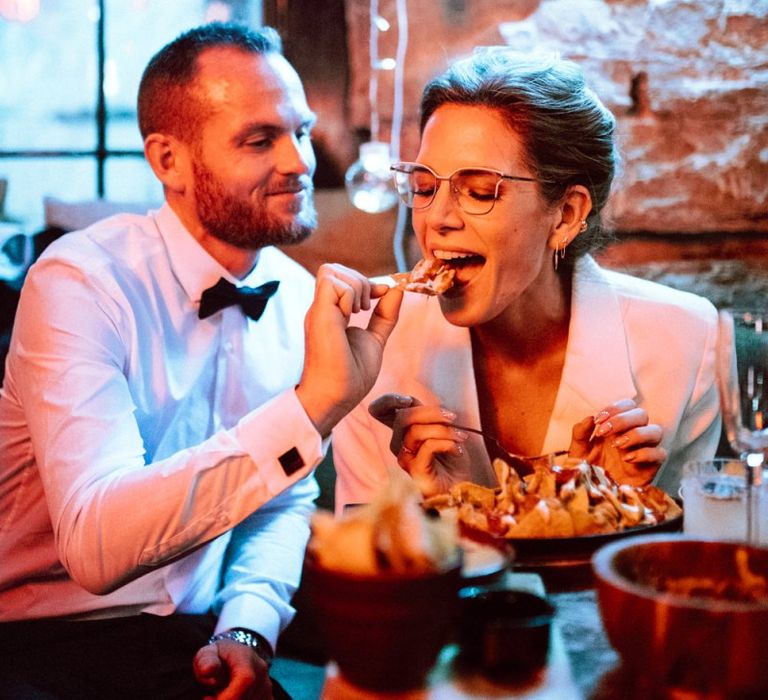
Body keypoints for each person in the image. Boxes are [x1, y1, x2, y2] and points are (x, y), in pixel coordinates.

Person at [0, 23, 402, 700]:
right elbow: (97, 546)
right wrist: (312, 409)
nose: (302, 161)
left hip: (196, 638)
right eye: (260, 139)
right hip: (38, 640)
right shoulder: (80, 282)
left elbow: (282, 504)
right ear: (169, 162)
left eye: (300, 131)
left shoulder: (299, 297)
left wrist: (248, 629)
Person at [332, 50, 720, 508]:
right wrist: (433, 513)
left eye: (478, 192)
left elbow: (683, 563)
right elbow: (359, 560)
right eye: (424, 188)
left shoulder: (685, 341)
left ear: (566, 215)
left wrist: (614, 506)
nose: (435, 218)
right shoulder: (369, 345)